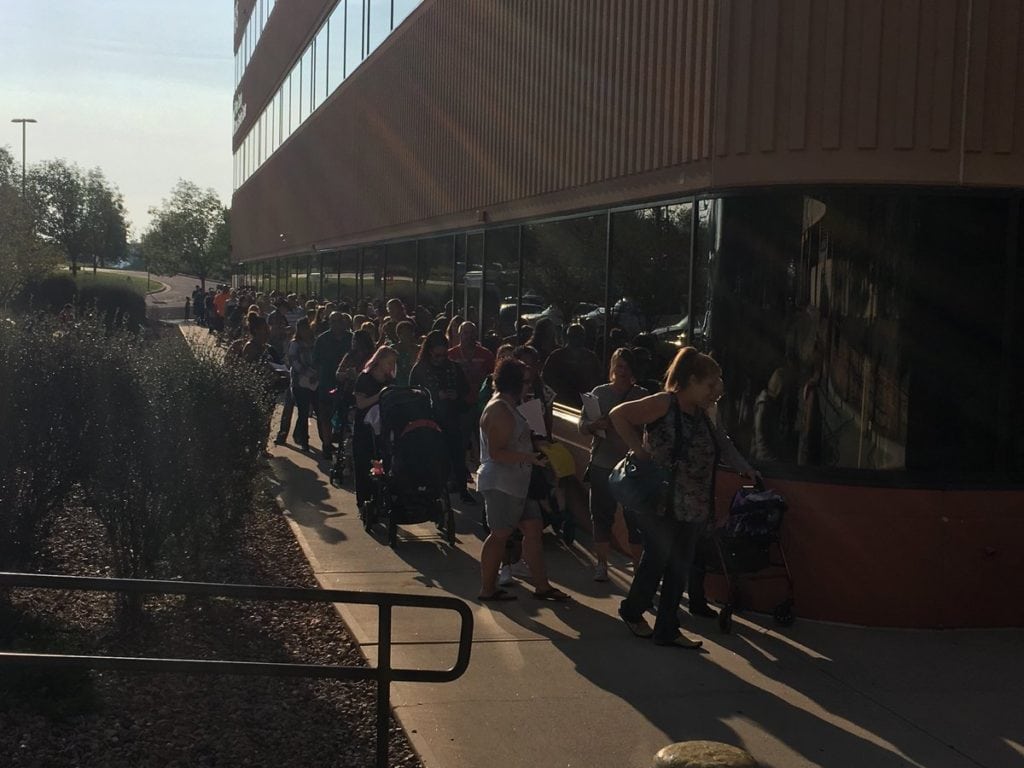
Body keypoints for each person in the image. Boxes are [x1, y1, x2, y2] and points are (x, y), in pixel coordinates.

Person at [610, 347, 758, 648]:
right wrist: (641, 452)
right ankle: (633, 610)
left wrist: (747, 470)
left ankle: (666, 628)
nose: (716, 391)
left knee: (678, 565)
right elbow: (619, 415)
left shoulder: (704, 414)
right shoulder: (665, 403)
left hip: (693, 503)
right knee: (659, 560)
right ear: (691, 380)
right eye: (710, 384)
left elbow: (723, 445)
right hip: (662, 500)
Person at [477, 358, 570, 603]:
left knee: (533, 529)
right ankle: (488, 588)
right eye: (526, 382)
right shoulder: (499, 410)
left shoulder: (513, 406)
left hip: (518, 481)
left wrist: (537, 447)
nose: (530, 386)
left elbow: (519, 439)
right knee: (500, 534)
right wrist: (531, 457)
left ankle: (542, 586)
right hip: (501, 484)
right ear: (514, 383)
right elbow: (496, 453)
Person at [579, 347, 648, 582]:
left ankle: (639, 569)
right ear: (612, 368)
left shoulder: (642, 395)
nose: (623, 371)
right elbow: (582, 426)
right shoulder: (598, 393)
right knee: (601, 516)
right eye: (619, 365)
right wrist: (596, 424)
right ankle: (602, 565)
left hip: (632, 467)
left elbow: (652, 431)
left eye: (627, 367)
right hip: (602, 463)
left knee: (635, 519)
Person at [410, 330, 472, 503]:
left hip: (451, 418)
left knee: (457, 455)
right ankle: (433, 491)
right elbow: (413, 394)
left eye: (444, 354)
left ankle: (462, 490)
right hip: (429, 419)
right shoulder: (420, 369)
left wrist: (455, 395)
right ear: (429, 351)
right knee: (434, 458)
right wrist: (436, 396)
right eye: (437, 355)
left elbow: (465, 390)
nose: (441, 359)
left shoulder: (453, 367)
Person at [352, 346, 398, 511]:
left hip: (383, 429)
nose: (392, 366)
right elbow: (361, 403)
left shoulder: (389, 380)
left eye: (394, 363)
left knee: (381, 462)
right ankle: (363, 501)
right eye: (389, 362)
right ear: (379, 361)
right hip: (365, 429)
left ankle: (381, 497)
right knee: (364, 463)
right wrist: (380, 395)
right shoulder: (364, 378)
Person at [313, 312, 353, 460]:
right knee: (325, 416)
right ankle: (327, 445)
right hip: (327, 382)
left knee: (345, 416)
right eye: (332, 321)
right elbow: (315, 361)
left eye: (338, 321)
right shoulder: (322, 339)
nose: (335, 324)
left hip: (346, 384)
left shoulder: (351, 338)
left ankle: (344, 446)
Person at [542, 323, 604, 407]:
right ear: (568, 337)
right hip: (561, 404)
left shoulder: (590, 357)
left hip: (584, 403)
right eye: (574, 335)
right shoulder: (557, 356)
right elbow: (546, 379)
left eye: (580, 335)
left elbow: (597, 380)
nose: (577, 339)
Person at [287, 317, 319, 451]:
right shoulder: (295, 344)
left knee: (311, 411)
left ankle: (298, 433)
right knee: (303, 410)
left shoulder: (315, 342)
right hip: (299, 381)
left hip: (315, 381)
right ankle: (304, 440)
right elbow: (294, 362)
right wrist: (308, 373)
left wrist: (316, 373)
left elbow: (318, 359)